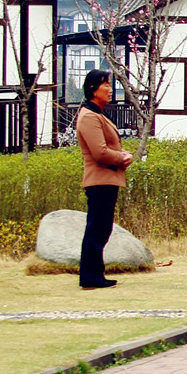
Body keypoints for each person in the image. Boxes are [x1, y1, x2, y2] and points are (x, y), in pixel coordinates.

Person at [75, 68, 134, 290]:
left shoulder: (97, 113)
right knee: (97, 229)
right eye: (106, 85)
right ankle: (90, 277)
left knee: (101, 228)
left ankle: (94, 274)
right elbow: (99, 152)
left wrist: (121, 155)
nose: (110, 89)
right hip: (99, 180)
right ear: (92, 88)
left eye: (110, 84)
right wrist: (121, 157)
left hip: (107, 179)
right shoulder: (89, 116)